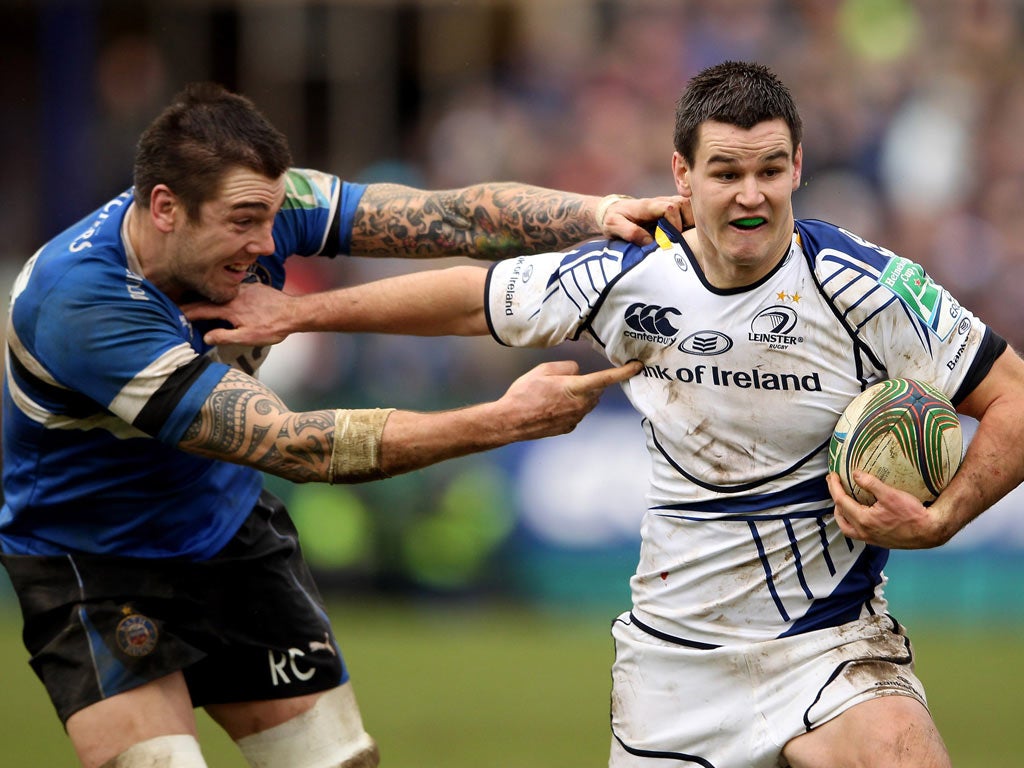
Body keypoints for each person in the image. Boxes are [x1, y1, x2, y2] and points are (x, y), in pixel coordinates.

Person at [188, 61, 1024, 768]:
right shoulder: (634, 271)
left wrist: (944, 516)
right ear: (682, 175)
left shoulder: (867, 286)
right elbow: (471, 301)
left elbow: (1013, 398)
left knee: (905, 750)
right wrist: (300, 313)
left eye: (771, 170)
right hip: (674, 665)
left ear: (799, 166)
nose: (751, 194)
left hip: (831, 645)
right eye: (726, 172)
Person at [0, 81, 684, 768]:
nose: (265, 243)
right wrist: (502, 422)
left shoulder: (270, 204)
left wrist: (600, 211)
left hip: (222, 530)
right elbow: (298, 448)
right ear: (165, 208)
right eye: (242, 221)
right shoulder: (82, 306)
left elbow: (453, 219)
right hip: (93, 559)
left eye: (269, 218)